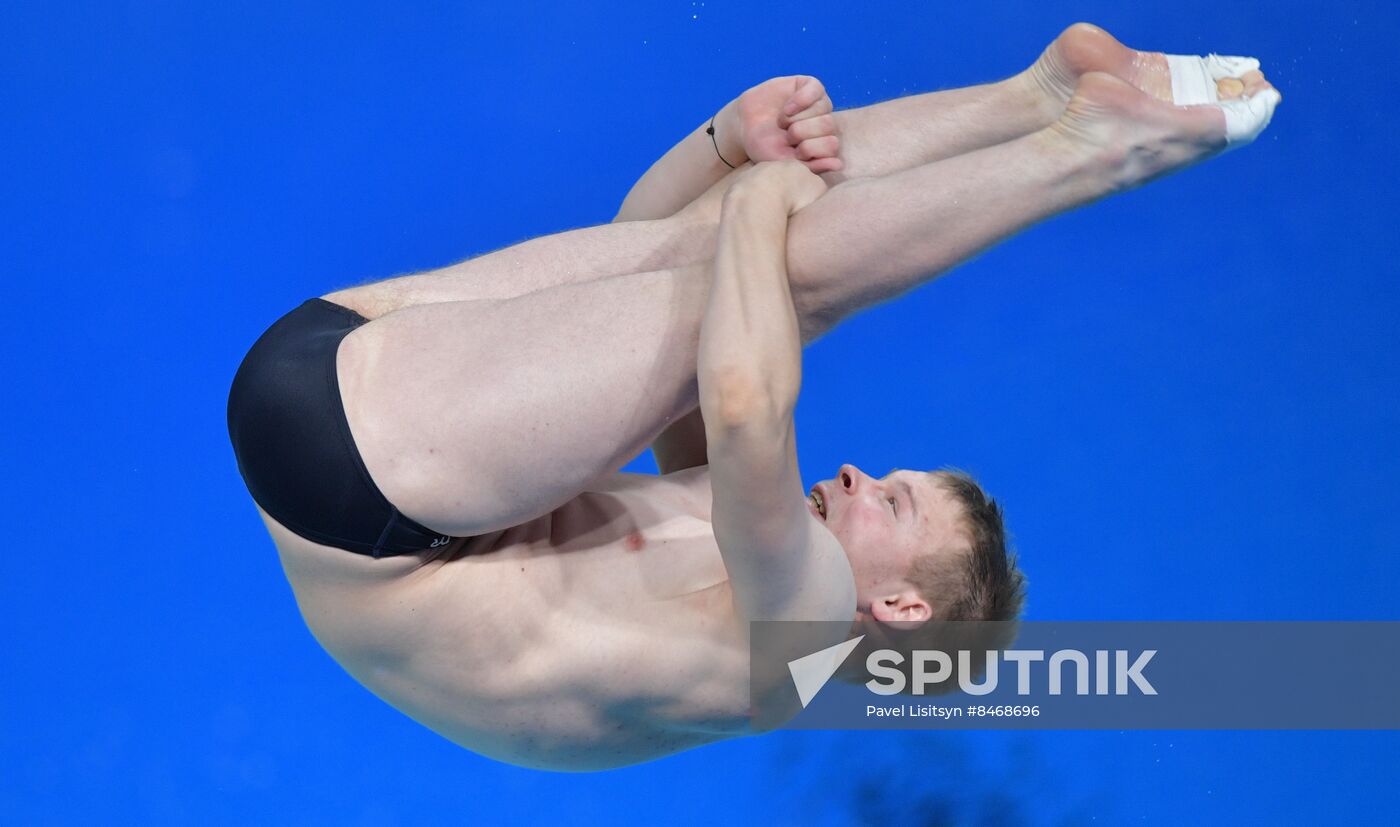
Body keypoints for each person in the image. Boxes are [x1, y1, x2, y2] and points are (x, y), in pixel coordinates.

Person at [227, 24, 1279, 770]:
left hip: (369, 486)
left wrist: (765, 194)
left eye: (894, 502)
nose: (860, 473)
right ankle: (1037, 97)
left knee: (779, 282)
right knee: (725, 262)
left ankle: (1095, 148)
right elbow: (641, 252)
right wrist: (725, 146)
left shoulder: (797, 645)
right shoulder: (747, 565)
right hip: (338, 394)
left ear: (900, 609)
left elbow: (739, 397)